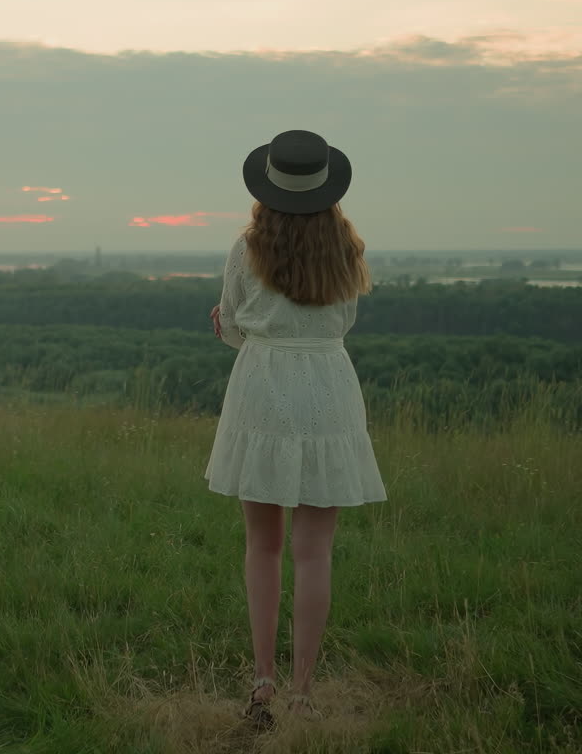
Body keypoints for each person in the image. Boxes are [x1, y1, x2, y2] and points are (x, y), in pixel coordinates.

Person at [204, 129, 387, 728]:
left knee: (263, 544)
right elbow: (342, 322)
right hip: (330, 387)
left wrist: (229, 326)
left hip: (262, 386)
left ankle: (263, 685)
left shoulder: (245, 247)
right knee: (315, 552)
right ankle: (304, 694)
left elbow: (233, 328)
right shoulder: (348, 250)